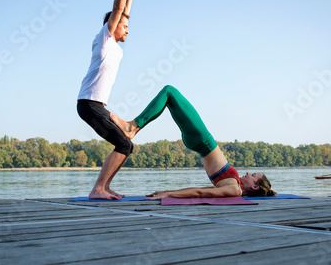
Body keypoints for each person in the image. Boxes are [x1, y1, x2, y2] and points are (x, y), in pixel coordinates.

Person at [110, 85, 276, 199]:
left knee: (169, 91)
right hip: (198, 142)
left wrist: (169, 194)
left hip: (202, 139)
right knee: (169, 96)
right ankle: (133, 127)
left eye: (253, 176)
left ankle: (132, 127)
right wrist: (168, 192)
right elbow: (201, 191)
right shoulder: (234, 187)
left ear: (255, 187)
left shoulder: (234, 189)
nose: (248, 173)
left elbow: (200, 193)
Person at [77, 0, 141, 200]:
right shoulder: (104, 38)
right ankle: (97, 189)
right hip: (89, 105)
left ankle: (104, 187)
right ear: (111, 27)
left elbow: (124, 13)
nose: (127, 29)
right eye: (123, 26)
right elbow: (117, 11)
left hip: (96, 106)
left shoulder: (115, 46)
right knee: (124, 144)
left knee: (126, 145)